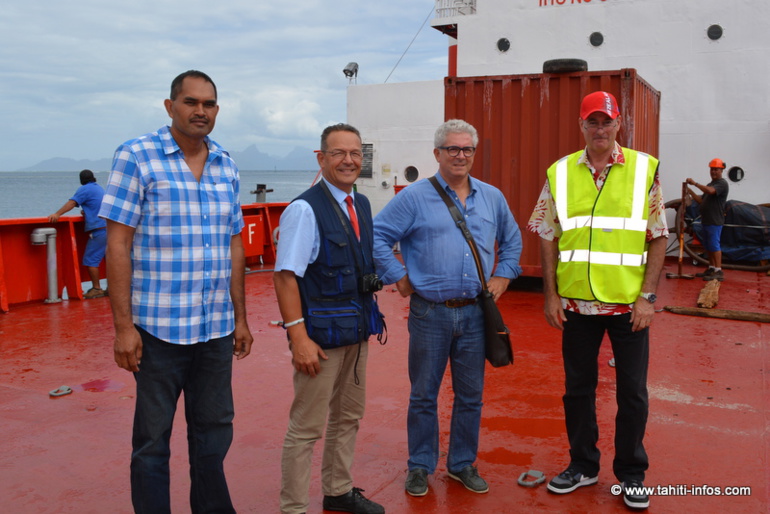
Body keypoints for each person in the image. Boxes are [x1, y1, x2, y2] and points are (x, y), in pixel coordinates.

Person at [98, 70, 253, 513]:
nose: (199, 111)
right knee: (151, 442)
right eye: (190, 102)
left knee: (214, 434)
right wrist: (123, 328)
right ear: (170, 107)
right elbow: (118, 244)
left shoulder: (226, 163)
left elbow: (233, 242)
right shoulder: (137, 156)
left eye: (208, 104)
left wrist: (240, 319)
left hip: (215, 330)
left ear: (217, 111)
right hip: (158, 331)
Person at [527, 91, 668, 510]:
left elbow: (658, 236)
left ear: (618, 124)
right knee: (578, 390)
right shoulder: (560, 172)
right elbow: (548, 234)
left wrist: (647, 297)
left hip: (629, 308)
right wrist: (551, 295)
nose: (600, 129)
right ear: (581, 126)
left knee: (633, 393)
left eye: (606, 121)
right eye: (592, 122)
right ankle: (583, 465)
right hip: (576, 308)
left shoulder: (644, 169)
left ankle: (631, 474)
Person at [373, 119, 523, 497]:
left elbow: (513, 239)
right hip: (430, 313)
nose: (460, 155)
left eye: (467, 149)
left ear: (474, 153)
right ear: (437, 153)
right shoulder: (414, 197)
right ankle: (420, 465)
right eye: (452, 149)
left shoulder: (492, 197)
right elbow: (377, 236)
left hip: (475, 313)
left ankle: (461, 464)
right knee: (424, 394)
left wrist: (503, 276)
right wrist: (399, 277)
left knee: (471, 395)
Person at [273, 123, 385, 514]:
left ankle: (338, 491)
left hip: (356, 332)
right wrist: (298, 338)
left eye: (355, 153)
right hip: (319, 339)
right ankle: (294, 508)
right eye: (338, 153)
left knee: (349, 416)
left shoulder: (362, 205)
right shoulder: (304, 210)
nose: (349, 160)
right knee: (306, 428)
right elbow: (286, 276)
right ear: (321, 159)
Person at [47, 169, 108, 298]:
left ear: (81, 180)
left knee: (90, 260)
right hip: (108, 228)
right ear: (94, 178)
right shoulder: (99, 189)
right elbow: (96, 206)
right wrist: (87, 212)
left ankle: (96, 288)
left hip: (98, 229)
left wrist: (57, 214)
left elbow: (72, 203)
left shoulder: (85, 189)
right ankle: (112, 287)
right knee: (109, 259)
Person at [686, 158, 729, 281]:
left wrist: (695, 183)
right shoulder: (710, 184)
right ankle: (711, 268)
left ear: (721, 170)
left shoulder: (721, 184)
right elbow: (701, 201)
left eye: (716, 169)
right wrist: (690, 192)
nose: (713, 172)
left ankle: (718, 271)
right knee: (709, 245)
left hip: (715, 221)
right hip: (707, 220)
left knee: (714, 245)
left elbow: (710, 191)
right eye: (712, 169)